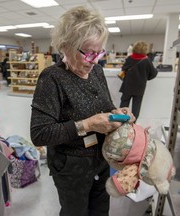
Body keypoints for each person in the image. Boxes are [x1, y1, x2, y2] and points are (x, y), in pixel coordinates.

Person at [30, 6, 135, 216]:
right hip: (72, 167)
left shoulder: (96, 70)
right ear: (67, 46)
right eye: (88, 53)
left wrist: (118, 112)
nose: (95, 60)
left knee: (100, 210)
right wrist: (88, 124)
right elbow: (40, 134)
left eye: (99, 52)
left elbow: (105, 106)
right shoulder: (52, 78)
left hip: (101, 159)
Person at [119, 41, 158, 122]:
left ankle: (120, 121)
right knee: (136, 106)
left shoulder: (130, 58)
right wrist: (145, 78)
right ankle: (132, 123)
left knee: (124, 103)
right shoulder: (147, 60)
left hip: (127, 86)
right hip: (140, 87)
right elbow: (153, 73)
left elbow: (123, 69)